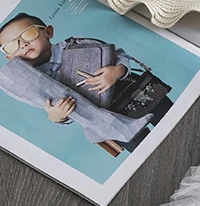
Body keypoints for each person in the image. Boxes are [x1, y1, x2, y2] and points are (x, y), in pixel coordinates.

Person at [0, 12, 171, 150]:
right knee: (143, 148)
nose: (23, 44)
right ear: (10, 58)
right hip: (107, 116)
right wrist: (56, 117)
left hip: (132, 92)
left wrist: (116, 71)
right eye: (12, 45)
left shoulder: (75, 44)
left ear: (48, 32)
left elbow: (118, 54)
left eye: (28, 34)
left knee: (169, 118)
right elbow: (72, 112)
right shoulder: (35, 84)